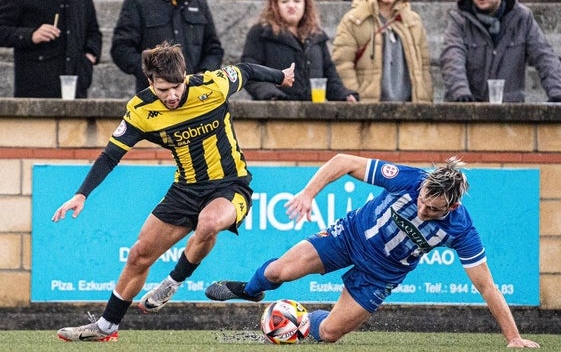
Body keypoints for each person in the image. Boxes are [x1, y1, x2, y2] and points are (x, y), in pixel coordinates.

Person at [52, 41, 295, 342]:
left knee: (209, 223)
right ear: (150, 81)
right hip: (185, 189)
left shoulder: (213, 85)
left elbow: (246, 70)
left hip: (230, 184)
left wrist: (280, 76)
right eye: (163, 89)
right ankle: (106, 326)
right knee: (139, 255)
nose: (172, 95)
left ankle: (172, 282)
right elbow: (110, 155)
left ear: (185, 75)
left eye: (177, 87)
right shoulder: (141, 110)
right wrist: (81, 194)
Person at [205, 154, 540, 348]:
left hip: (380, 275)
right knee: (278, 272)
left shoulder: (461, 230)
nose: (423, 210)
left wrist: (513, 337)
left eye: (433, 210)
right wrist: (308, 193)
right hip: (348, 237)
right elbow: (344, 161)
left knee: (330, 334)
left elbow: (487, 286)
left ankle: (297, 320)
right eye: (422, 200)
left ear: (452, 206)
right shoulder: (409, 179)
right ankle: (249, 291)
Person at [440, 0, 561, 103]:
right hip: (470, 107)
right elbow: (452, 58)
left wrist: (557, 92)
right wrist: (461, 94)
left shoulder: (522, 18)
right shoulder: (459, 19)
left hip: (510, 111)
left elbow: (544, 55)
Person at [111, 0, 224, 93]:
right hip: (154, 97)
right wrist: (153, 74)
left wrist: (202, 75)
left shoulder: (200, 4)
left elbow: (214, 49)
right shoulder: (137, 3)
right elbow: (121, 48)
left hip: (194, 96)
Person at [241, 0, 358, 102]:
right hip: (273, 111)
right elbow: (251, 73)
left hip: (312, 113)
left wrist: (344, 95)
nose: (291, 6)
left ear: (305, 5)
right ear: (275, 5)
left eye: (297, 1)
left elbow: (329, 76)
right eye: (284, 1)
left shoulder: (316, 35)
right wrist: (271, 94)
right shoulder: (260, 33)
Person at [332, 0, 432, 102]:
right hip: (369, 108)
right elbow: (342, 64)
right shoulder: (355, 20)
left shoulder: (413, 22)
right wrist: (354, 98)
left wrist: (424, 103)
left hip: (409, 110)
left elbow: (424, 68)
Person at [0, 0, 101, 98]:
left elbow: (93, 31)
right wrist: (31, 35)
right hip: (35, 88)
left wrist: (89, 56)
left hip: (75, 86)